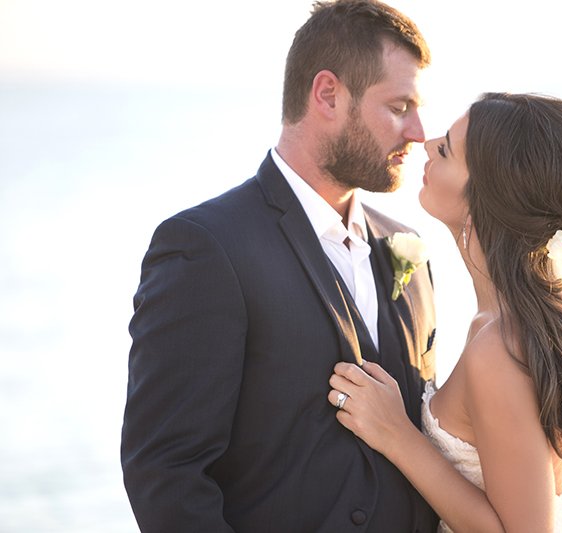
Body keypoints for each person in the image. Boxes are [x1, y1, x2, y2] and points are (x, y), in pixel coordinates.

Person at [121, 1, 439, 531]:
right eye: (399, 106)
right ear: (328, 94)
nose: (418, 132)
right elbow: (166, 473)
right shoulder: (206, 247)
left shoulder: (406, 245)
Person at [329, 92, 562, 532]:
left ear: (485, 197)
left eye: (447, 150)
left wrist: (396, 434)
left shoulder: (501, 347)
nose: (427, 144)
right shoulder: (543, 323)